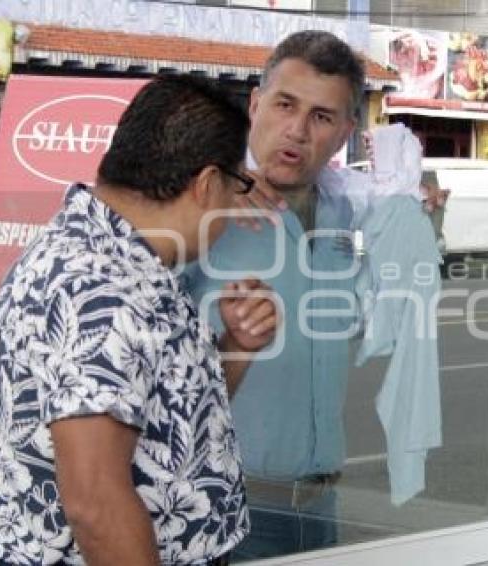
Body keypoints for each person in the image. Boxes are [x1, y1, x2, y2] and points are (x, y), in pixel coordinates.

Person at [0, 75, 279, 565]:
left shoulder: (112, 257)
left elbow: (164, 423)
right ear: (206, 184)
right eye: (237, 185)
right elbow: (95, 502)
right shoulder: (102, 289)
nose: (233, 203)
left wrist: (237, 346)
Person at [184, 30, 446, 559]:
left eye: (322, 116)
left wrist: (420, 227)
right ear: (256, 104)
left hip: (322, 509)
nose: (298, 131)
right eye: (285, 104)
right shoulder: (198, 204)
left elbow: (381, 315)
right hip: (226, 510)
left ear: (347, 129)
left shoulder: (349, 214)